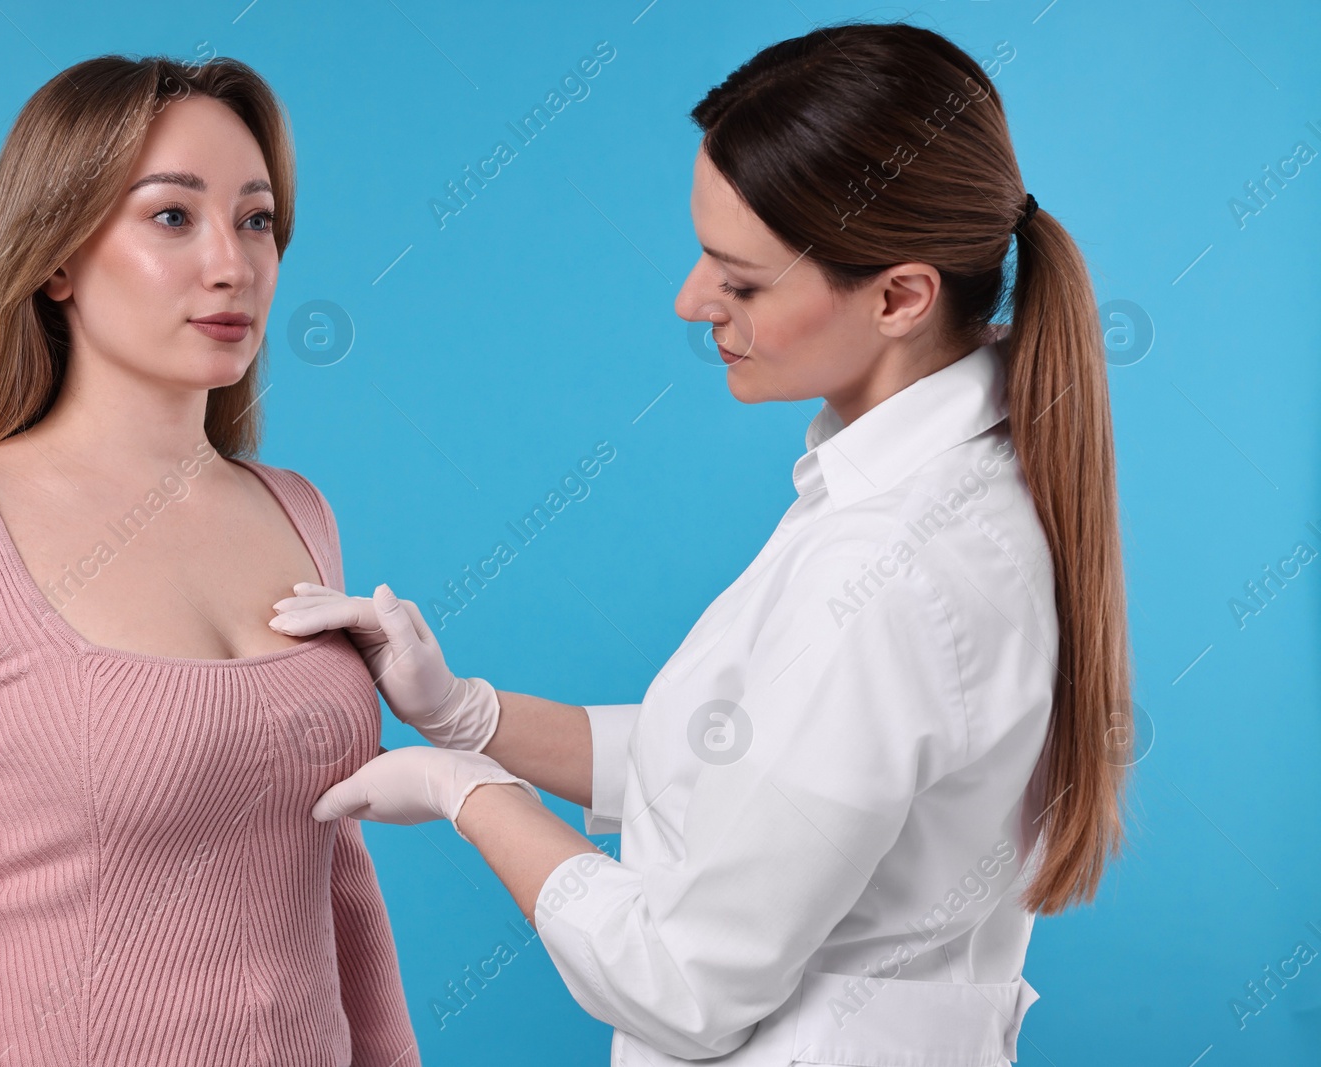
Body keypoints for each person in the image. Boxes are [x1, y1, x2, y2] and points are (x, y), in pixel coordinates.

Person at [272, 21, 1132, 1066]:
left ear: (900, 296)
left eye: (743, 280)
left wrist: (471, 795)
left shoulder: (885, 566)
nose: (691, 302)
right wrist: (468, 712)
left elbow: (680, 984)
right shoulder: (942, 488)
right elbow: (745, 761)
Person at [0, 55, 420, 1066]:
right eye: (172, 217)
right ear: (56, 258)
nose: (231, 263)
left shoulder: (299, 511)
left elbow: (336, 870)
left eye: (257, 219)